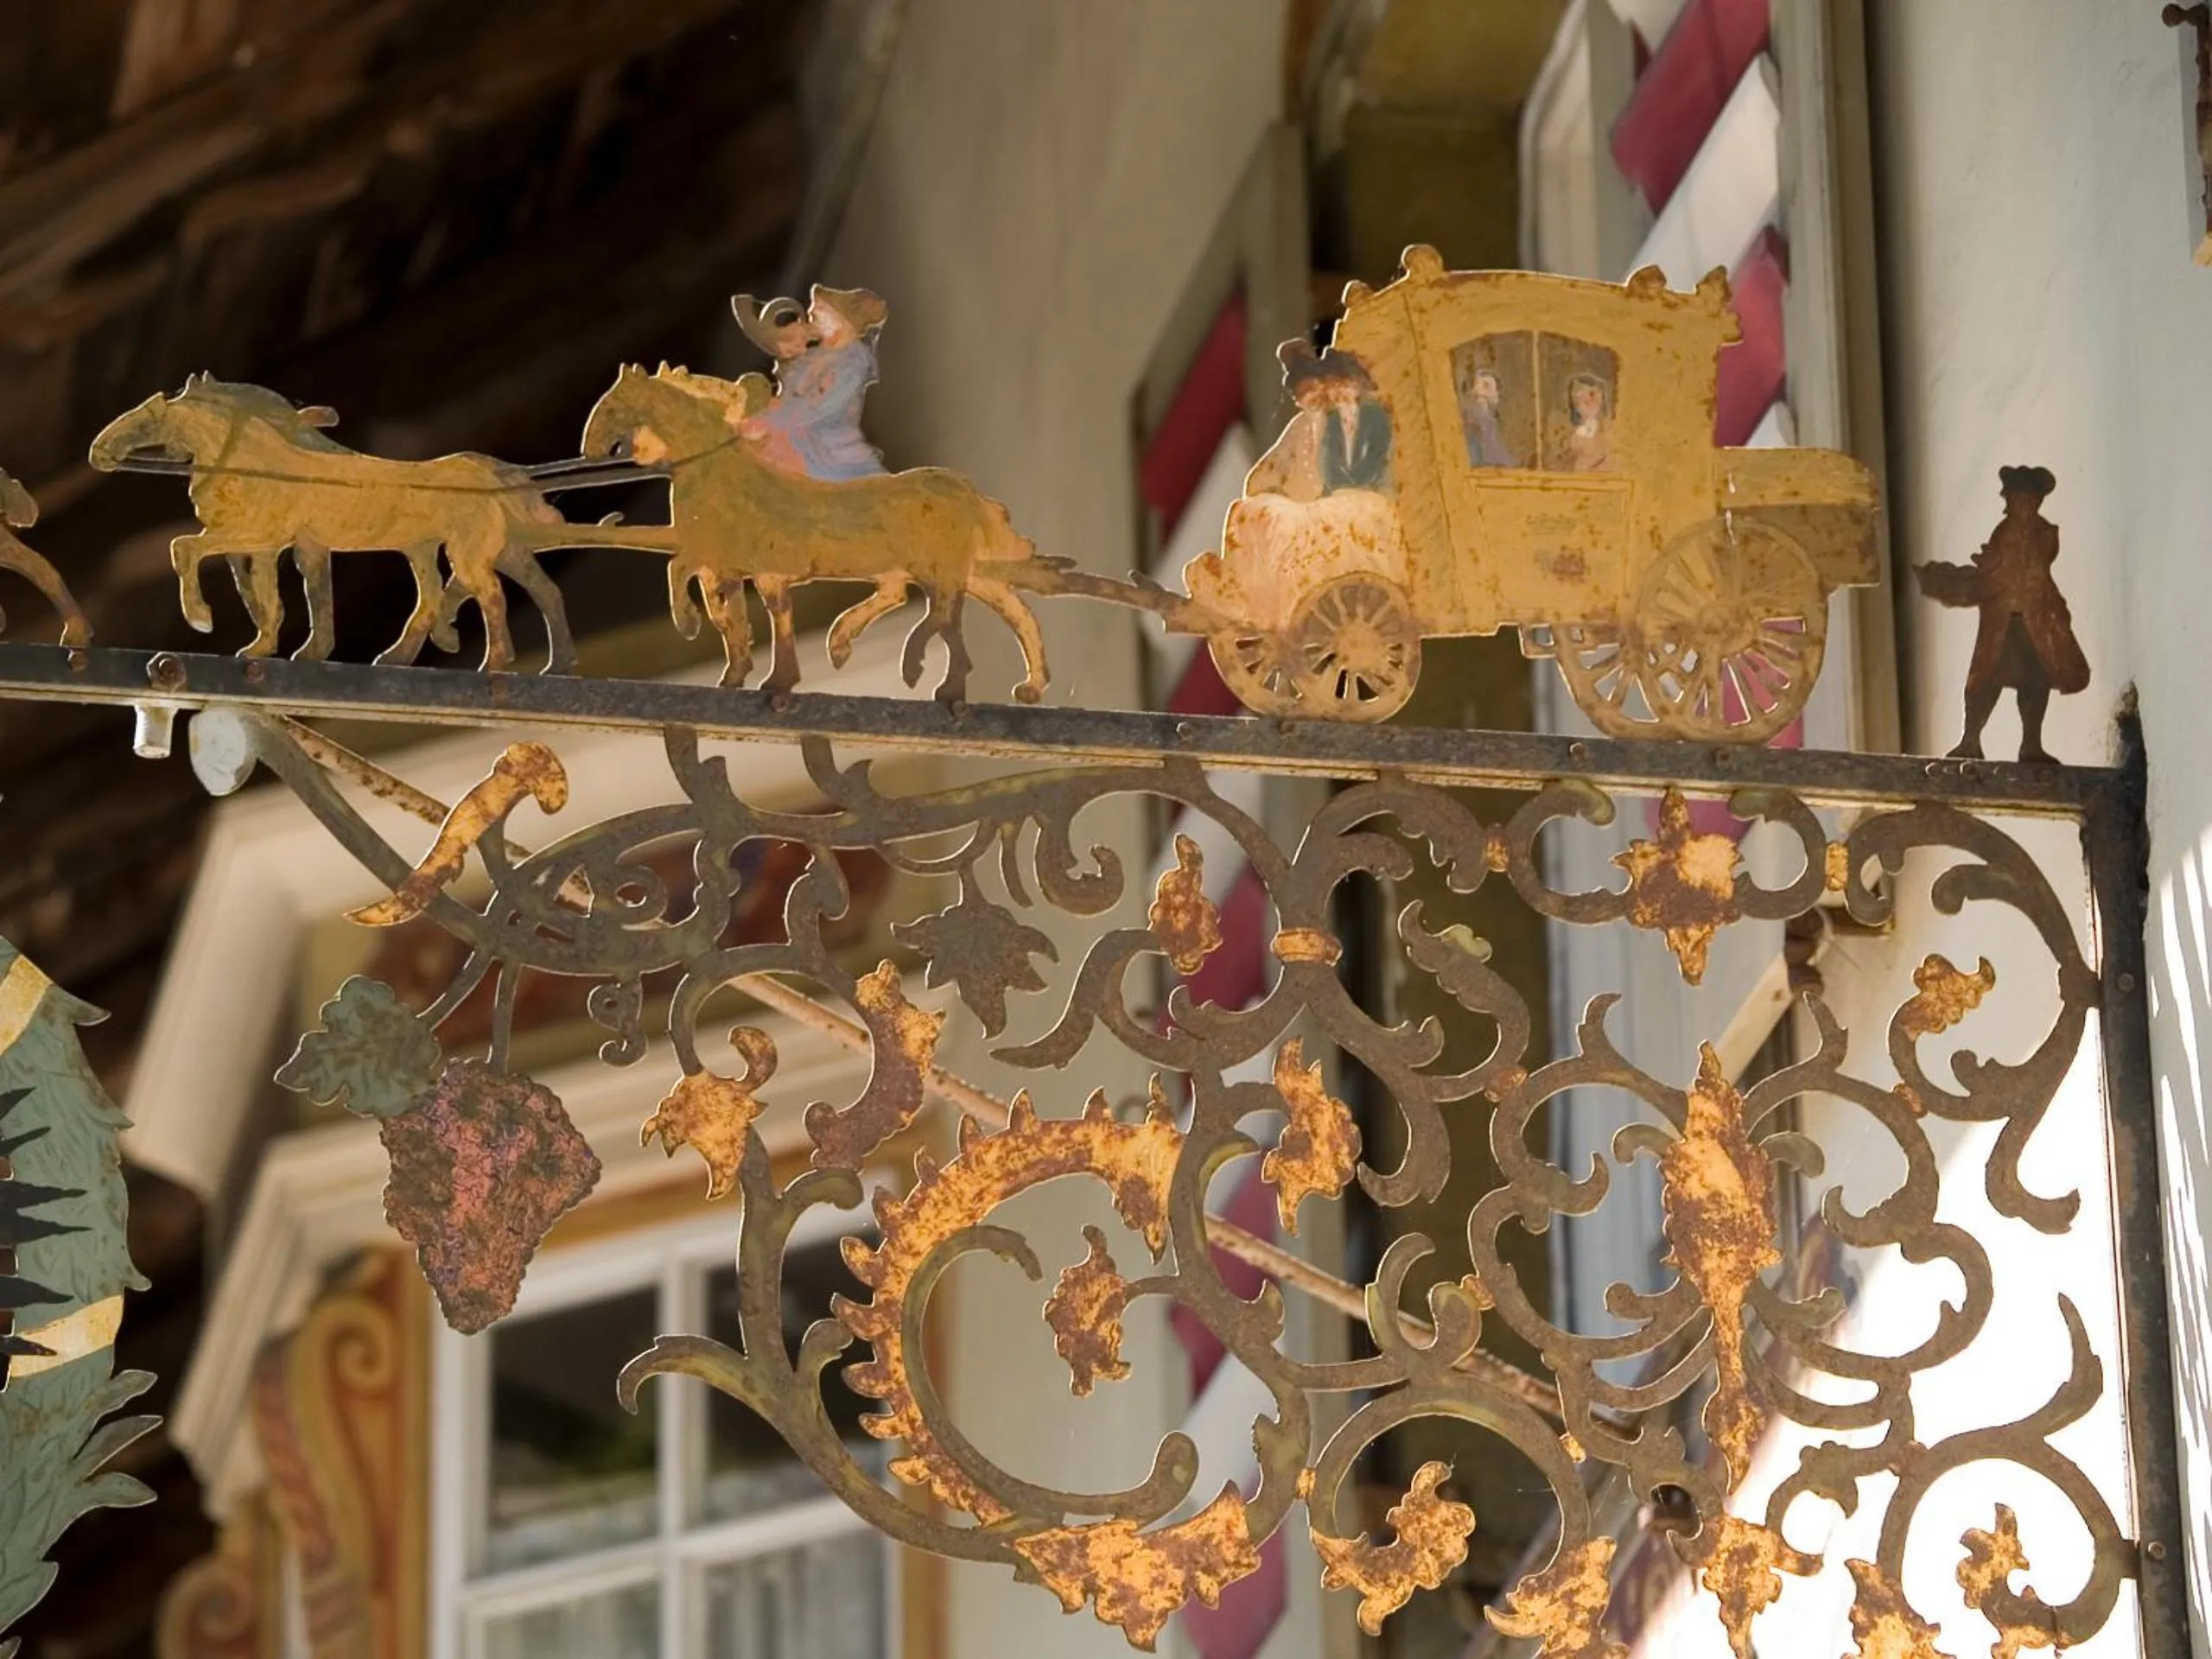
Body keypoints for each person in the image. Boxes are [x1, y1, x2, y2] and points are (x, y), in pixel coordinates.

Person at [1913, 464, 2088, 762]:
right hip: (2003, 622)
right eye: (2011, 497)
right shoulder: (2006, 531)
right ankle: (1970, 741)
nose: (2011, 502)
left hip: (2034, 622)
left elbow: (2025, 572)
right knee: (1985, 681)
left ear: (2032, 499)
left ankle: (2031, 745)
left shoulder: (2044, 534)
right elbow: (2000, 574)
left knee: (2035, 683)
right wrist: (1981, 574)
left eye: (2018, 497)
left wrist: (1990, 571)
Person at [730, 284, 890, 482]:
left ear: (840, 323)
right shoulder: (815, 355)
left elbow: (818, 407)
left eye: (820, 310)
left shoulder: (850, 364)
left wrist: (769, 422)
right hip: (796, 426)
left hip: (823, 445)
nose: (811, 312)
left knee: (766, 462)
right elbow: (792, 395)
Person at [1459, 364, 1516, 467]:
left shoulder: (1493, 424)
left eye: (1487, 386)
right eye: (1477, 386)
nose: (1479, 391)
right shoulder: (1469, 423)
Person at [1563, 372, 1611, 472]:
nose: (1590, 396)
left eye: (1595, 393)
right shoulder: (1571, 439)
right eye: (1582, 392)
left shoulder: (1609, 432)